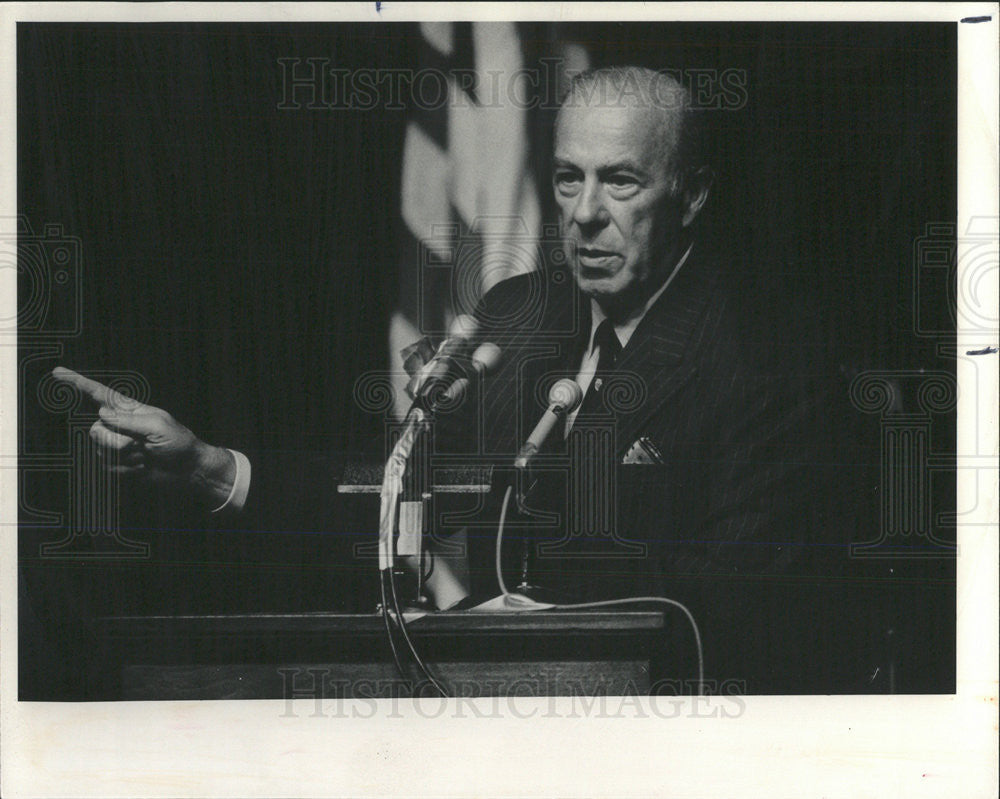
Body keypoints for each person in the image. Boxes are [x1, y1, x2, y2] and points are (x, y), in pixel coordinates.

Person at [53, 67, 851, 691]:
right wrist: (207, 464)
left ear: (694, 193)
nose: (583, 213)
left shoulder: (767, 359)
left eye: (622, 181)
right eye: (569, 177)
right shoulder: (518, 315)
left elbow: (752, 605)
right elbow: (398, 486)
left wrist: (527, 612)